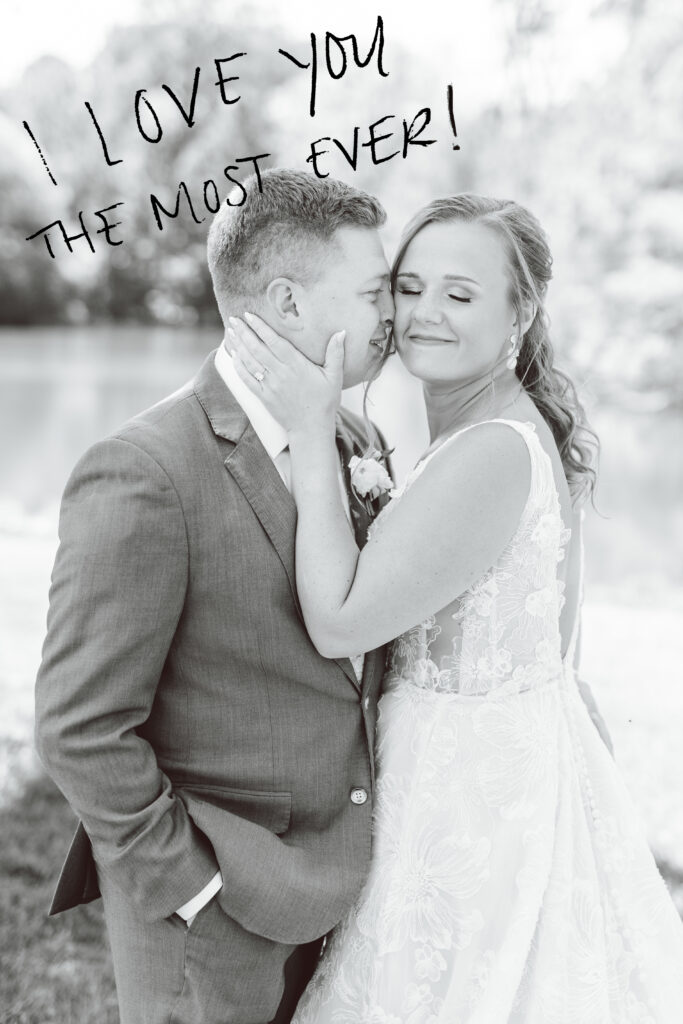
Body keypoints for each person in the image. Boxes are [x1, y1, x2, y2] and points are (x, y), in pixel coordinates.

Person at [228, 193, 683, 1022]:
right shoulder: (507, 427)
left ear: (522, 310)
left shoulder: (489, 453)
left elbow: (337, 619)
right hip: (502, 770)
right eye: (407, 287)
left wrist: (308, 426)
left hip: (464, 800)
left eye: (460, 295)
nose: (422, 315)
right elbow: (561, 647)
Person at [34, 168, 394, 1024]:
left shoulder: (353, 436)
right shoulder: (146, 470)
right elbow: (78, 727)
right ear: (288, 303)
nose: (394, 315)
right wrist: (190, 889)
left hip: (353, 892)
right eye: (375, 290)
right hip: (216, 915)